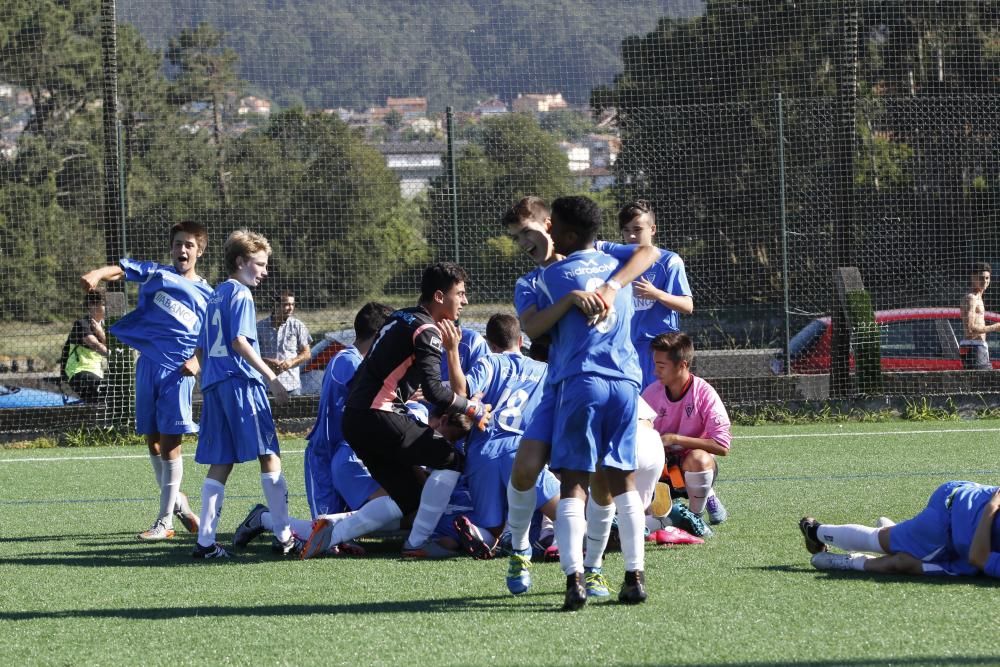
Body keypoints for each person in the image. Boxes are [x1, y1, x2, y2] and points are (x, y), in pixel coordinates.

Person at [500, 196, 659, 600]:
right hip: (562, 383)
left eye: (527, 232)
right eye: (516, 238)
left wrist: (612, 285)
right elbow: (533, 327)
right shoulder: (533, 281)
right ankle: (519, 547)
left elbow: (649, 251)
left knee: (600, 482)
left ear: (550, 226)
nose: (524, 242)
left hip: (584, 381)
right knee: (527, 467)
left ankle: (593, 569)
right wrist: (570, 300)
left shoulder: (601, 253)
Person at [341, 262, 492, 558]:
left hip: (355, 419)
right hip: (378, 416)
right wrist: (472, 408)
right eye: (459, 294)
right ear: (439, 296)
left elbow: (372, 373)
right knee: (450, 459)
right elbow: (436, 391)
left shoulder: (398, 317)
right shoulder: (427, 330)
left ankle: (331, 534)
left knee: (409, 498)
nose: (465, 301)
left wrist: (403, 391)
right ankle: (416, 544)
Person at [80, 220, 209, 541]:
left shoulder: (209, 293)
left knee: (170, 446)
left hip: (178, 371)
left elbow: (215, 335)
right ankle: (178, 501)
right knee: (151, 441)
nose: (182, 249)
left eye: (189, 245)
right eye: (178, 243)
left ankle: (164, 523)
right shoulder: (157, 272)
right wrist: (97, 274)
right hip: (148, 366)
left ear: (200, 251)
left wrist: (197, 360)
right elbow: (122, 270)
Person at [191, 229, 295, 559]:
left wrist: (208, 380)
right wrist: (271, 378)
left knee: (222, 461)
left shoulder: (215, 295)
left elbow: (202, 346)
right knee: (269, 453)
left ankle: (205, 543)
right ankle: (284, 535)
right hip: (240, 383)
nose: (264, 271)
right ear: (240, 262)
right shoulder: (240, 294)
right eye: (259, 264)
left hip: (215, 385)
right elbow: (239, 341)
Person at [440, 313, 560, 567]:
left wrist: (451, 351)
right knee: (567, 513)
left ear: (490, 343)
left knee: (492, 529)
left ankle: (481, 533)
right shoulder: (544, 369)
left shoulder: (489, 362)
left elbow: (461, 393)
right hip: (522, 452)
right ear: (520, 339)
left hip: (482, 452)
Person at [301, 302, 393, 519]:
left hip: (347, 454)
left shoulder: (357, 361)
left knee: (347, 529)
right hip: (325, 455)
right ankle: (264, 519)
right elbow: (376, 397)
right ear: (380, 336)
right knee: (324, 533)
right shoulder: (346, 360)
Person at [800, 481, 1000, 577]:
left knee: (903, 564)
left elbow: (978, 558)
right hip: (949, 519)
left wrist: (991, 508)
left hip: (966, 554)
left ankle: (848, 562)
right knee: (882, 541)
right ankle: (814, 531)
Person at [641, 332, 732, 535]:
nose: (655, 371)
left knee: (698, 459)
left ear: (682, 365)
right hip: (661, 471)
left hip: (690, 467)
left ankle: (694, 517)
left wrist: (675, 439)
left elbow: (722, 446)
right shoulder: (650, 393)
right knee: (646, 522)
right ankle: (705, 494)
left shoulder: (704, 393)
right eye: (655, 364)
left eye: (661, 366)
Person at [618, 200, 694, 389]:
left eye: (637, 229)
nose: (632, 235)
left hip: (660, 350)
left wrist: (656, 294)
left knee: (660, 407)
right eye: (626, 230)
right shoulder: (617, 263)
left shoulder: (669, 261)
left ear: (652, 229)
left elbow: (687, 306)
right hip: (626, 349)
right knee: (633, 408)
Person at [257, 290, 312, 396]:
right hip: (267, 385)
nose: (291, 308)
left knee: (294, 413)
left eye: (292, 304)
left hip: (292, 385)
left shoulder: (298, 325)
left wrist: (291, 362)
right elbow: (251, 353)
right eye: (286, 304)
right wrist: (268, 361)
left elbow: (307, 353)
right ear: (275, 305)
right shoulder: (260, 327)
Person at [62, 291, 108, 403]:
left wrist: (101, 333)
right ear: (92, 305)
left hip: (97, 373)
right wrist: (114, 354)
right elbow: (95, 345)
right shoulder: (82, 324)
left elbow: (114, 344)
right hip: (78, 372)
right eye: (104, 304)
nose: (108, 307)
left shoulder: (105, 327)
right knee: (107, 389)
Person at [959, 262, 999, 370]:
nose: (985, 281)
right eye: (981, 278)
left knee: (985, 383)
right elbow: (969, 329)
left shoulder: (979, 297)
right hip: (973, 347)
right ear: (972, 277)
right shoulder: (971, 298)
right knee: (985, 382)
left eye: (987, 278)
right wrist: (994, 327)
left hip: (978, 347)